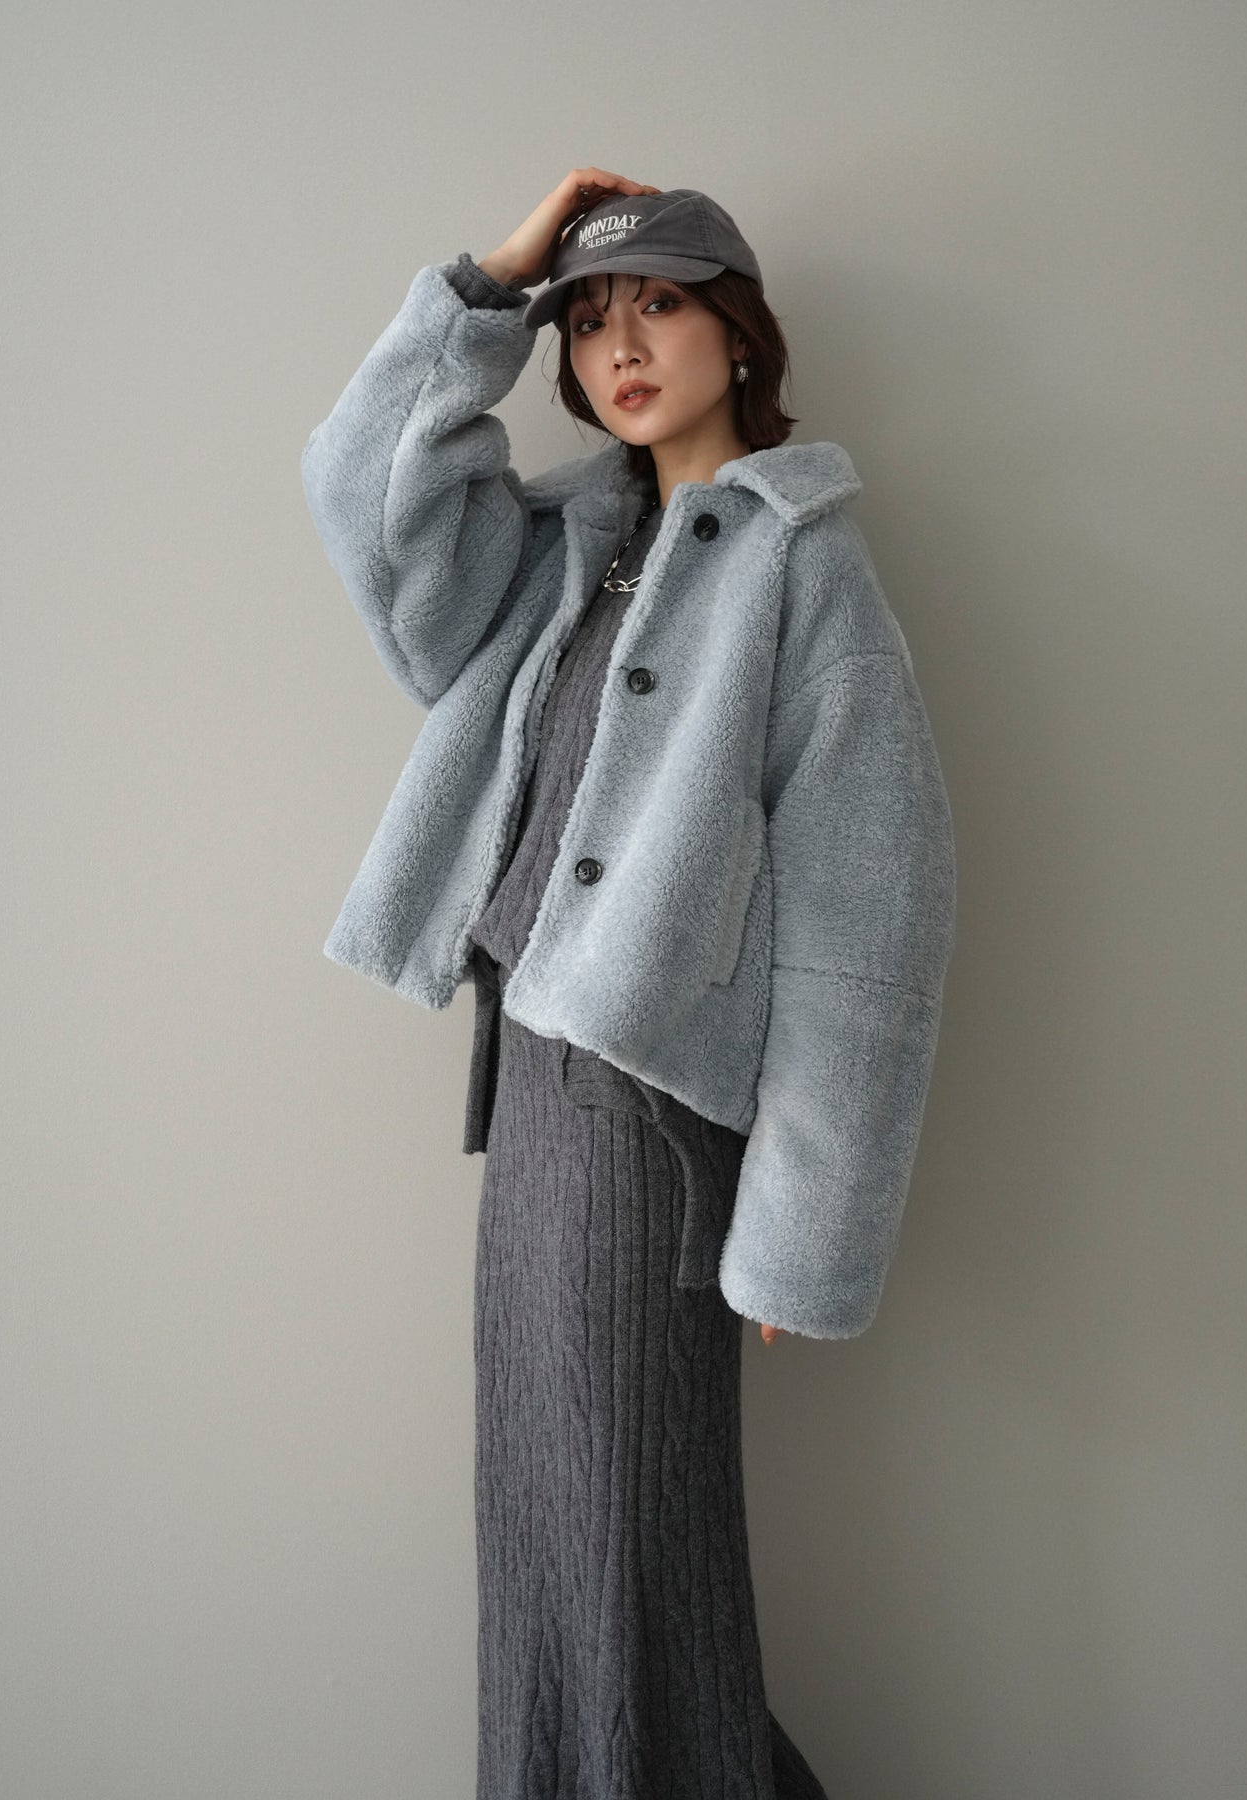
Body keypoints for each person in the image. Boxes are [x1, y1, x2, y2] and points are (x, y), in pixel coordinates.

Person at [301, 168, 957, 1800]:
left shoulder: (803, 573)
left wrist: (801, 1225)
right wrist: (487, 290)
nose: (620, 348)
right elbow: (359, 490)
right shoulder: (555, 549)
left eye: (657, 304)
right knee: (549, 1543)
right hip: (533, 1096)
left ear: (738, 332)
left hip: (645, 1123)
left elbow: (869, 921)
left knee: (622, 1560)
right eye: (587, 323)